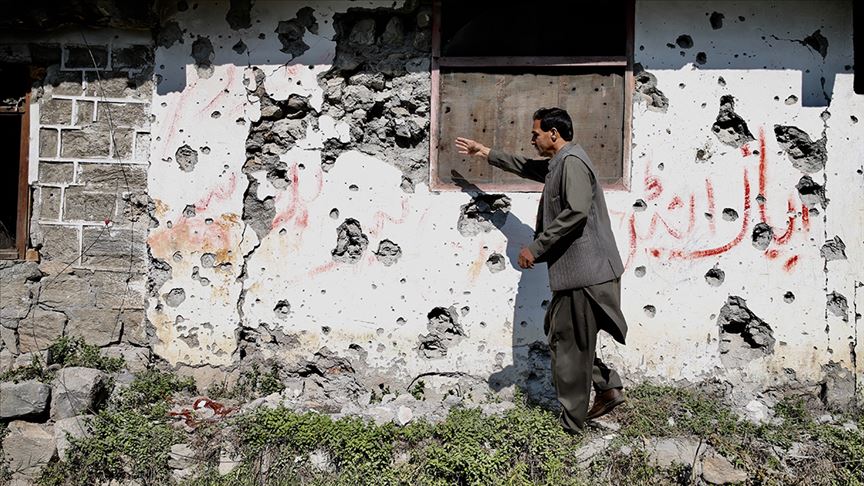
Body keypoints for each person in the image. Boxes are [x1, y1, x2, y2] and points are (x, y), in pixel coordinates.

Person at [455, 107, 628, 432]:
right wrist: (485, 152)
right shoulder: (560, 163)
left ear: (553, 133)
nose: (532, 139)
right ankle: (607, 387)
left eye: (535, 134)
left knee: (568, 343)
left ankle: (572, 424)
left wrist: (535, 248)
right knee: (563, 336)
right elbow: (526, 167)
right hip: (579, 273)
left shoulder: (572, 162)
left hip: (586, 272)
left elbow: (576, 212)